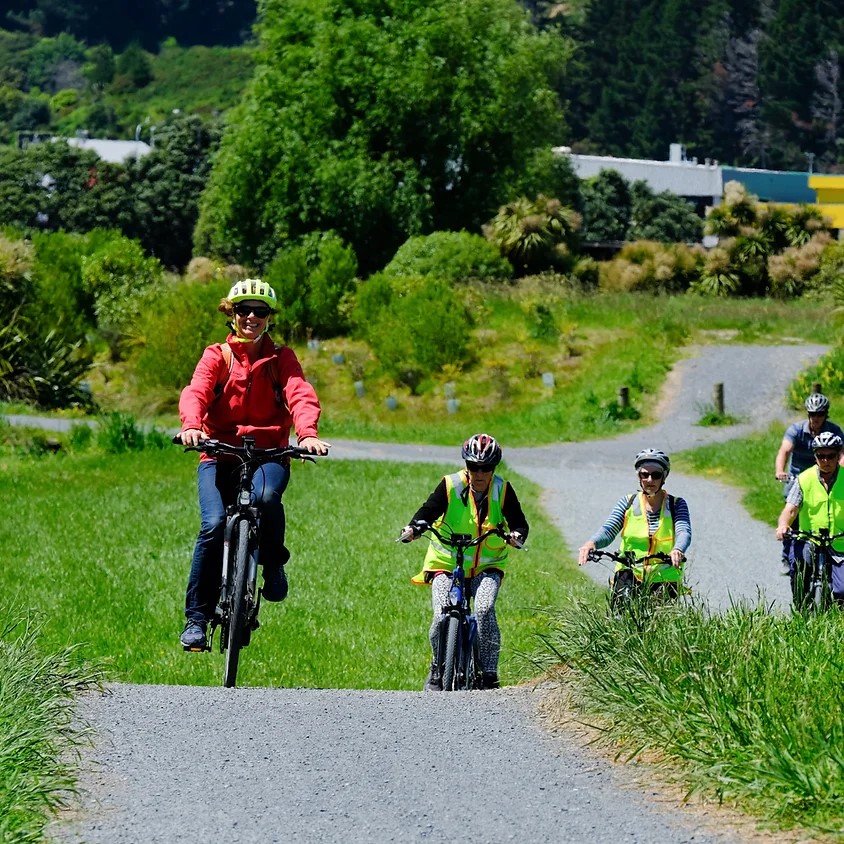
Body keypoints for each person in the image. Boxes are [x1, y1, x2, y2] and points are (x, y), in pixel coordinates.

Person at [178, 279, 330, 650]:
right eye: (243, 309)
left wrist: (307, 433)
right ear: (231, 313)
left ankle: (273, 562)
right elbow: (196, 390)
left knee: (265, 500)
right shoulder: (217, 355)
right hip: (218, 452)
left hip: (269, 454)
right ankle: (196, 620)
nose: (251, 317)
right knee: (213, 525)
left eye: (260, 311)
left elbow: (300, 393)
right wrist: (192, 426)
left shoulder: (282, 358)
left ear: (269, 318)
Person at [399, 433, 529, 691]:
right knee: (440, 616)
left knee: (483, 610)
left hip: (487, 566)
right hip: (447, 563)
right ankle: (438, 668)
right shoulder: (450, 485)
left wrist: (516, 536)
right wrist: (414, 528)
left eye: (486, 468)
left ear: (493, 468)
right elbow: (428, 511)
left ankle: (489, 672)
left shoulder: (502, 490)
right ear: (466, 466)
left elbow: (519, 523)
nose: (479, 474)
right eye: (473, 467)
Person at [577, 448, 691, 601]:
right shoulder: (628, 502)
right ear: (639, 476)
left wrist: (677, 549)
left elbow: (684, 531)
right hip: (628, 574)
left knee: (662, 622)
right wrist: (591, 544)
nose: (650, 480)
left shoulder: (676, 504)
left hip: (665, 576)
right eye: (645, 474)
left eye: (656, 475)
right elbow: (609, 529)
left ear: (664, 477)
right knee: (620, 619)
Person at [775, 431, 844, 608]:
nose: (826, 460)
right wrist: (783, 525)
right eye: (821, 456)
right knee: (799, 567)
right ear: (815, 457)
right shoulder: (804, 479)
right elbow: (791, 509)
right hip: (810, 538)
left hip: (840, 542)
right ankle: (801, 610)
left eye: (831, 456)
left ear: (839, 456)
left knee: (842, 591)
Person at [774, 393, 844, 568]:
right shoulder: (796, 430)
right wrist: (780, 470)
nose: (816, 418)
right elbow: (784, 451)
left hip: (829, 475)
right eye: (812, 414)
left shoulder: (834, 431)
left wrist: (840, 468)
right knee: (793, 512)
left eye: (820, 414)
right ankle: (789, 555)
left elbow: (841, 455)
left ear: (826, 414)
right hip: (799, 475)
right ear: (808, 414)